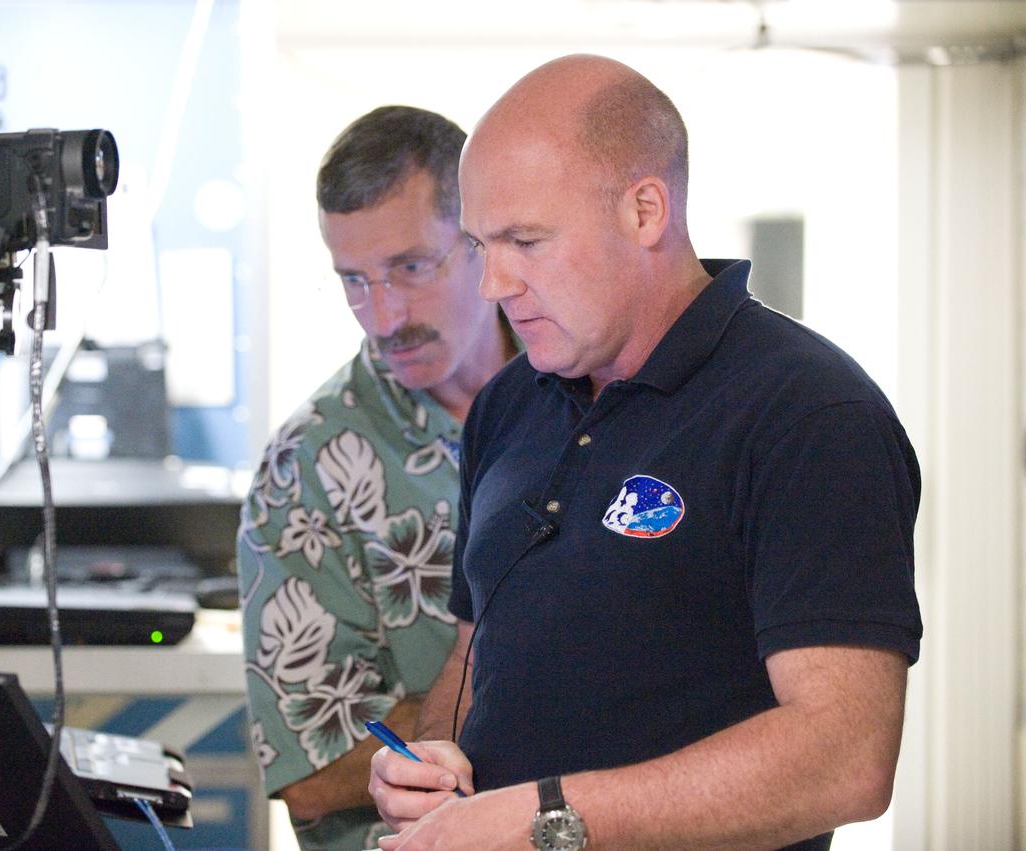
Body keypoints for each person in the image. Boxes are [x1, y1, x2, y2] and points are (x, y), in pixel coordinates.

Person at [366, 54, 923, 851]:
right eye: (482, 245)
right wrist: (430, 766)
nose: (494, 284)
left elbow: (845, 758)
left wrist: (542, 819)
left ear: (646, 210)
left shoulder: (807, 412)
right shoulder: (509, 401)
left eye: (526, 239)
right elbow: (474, 647)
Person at [237, 106, 516, 851]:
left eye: (410, 268)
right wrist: (524, 705)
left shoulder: (591, 395)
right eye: (354, 281)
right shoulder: (309, 464)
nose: (384, 315)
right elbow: (308, 771)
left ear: (479, 240)